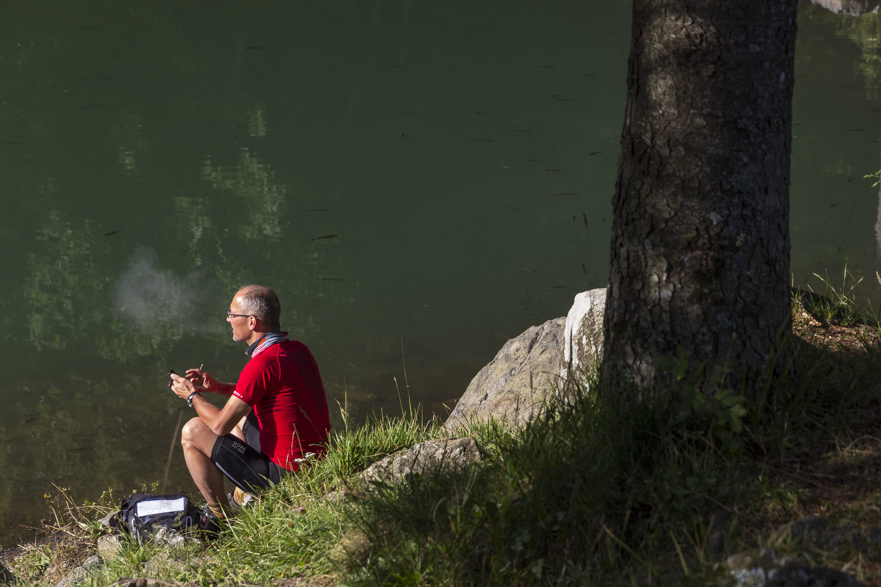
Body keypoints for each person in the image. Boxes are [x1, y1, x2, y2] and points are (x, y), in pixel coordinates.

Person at [168, 284, 330, 521]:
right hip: (315, 462)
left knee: (192, 431)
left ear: (252, 322)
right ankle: (242, 494)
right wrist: (219, 388)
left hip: (284, 477)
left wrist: (192, 395)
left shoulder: (261, 364)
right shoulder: (296, 349)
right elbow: (261, 392)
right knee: (242, 413)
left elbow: (220, 426)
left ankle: (219, 517)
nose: (228, 319)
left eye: (232, 314)